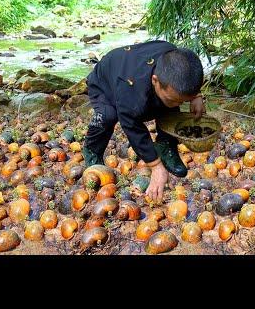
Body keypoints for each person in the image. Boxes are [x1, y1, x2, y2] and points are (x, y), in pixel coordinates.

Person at [82, 40, 206, 203]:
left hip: (139, 76)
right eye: (173, 99)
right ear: (155, 80)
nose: (177, 105)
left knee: (168, 107)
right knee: (107, 116)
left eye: (181, 101)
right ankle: (92, 150)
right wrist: (155, 166)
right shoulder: (131, 90)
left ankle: (165, 145)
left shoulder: (175, 58)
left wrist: (195, 96)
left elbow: (188, 79)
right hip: (105, 82)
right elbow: (133, 128)